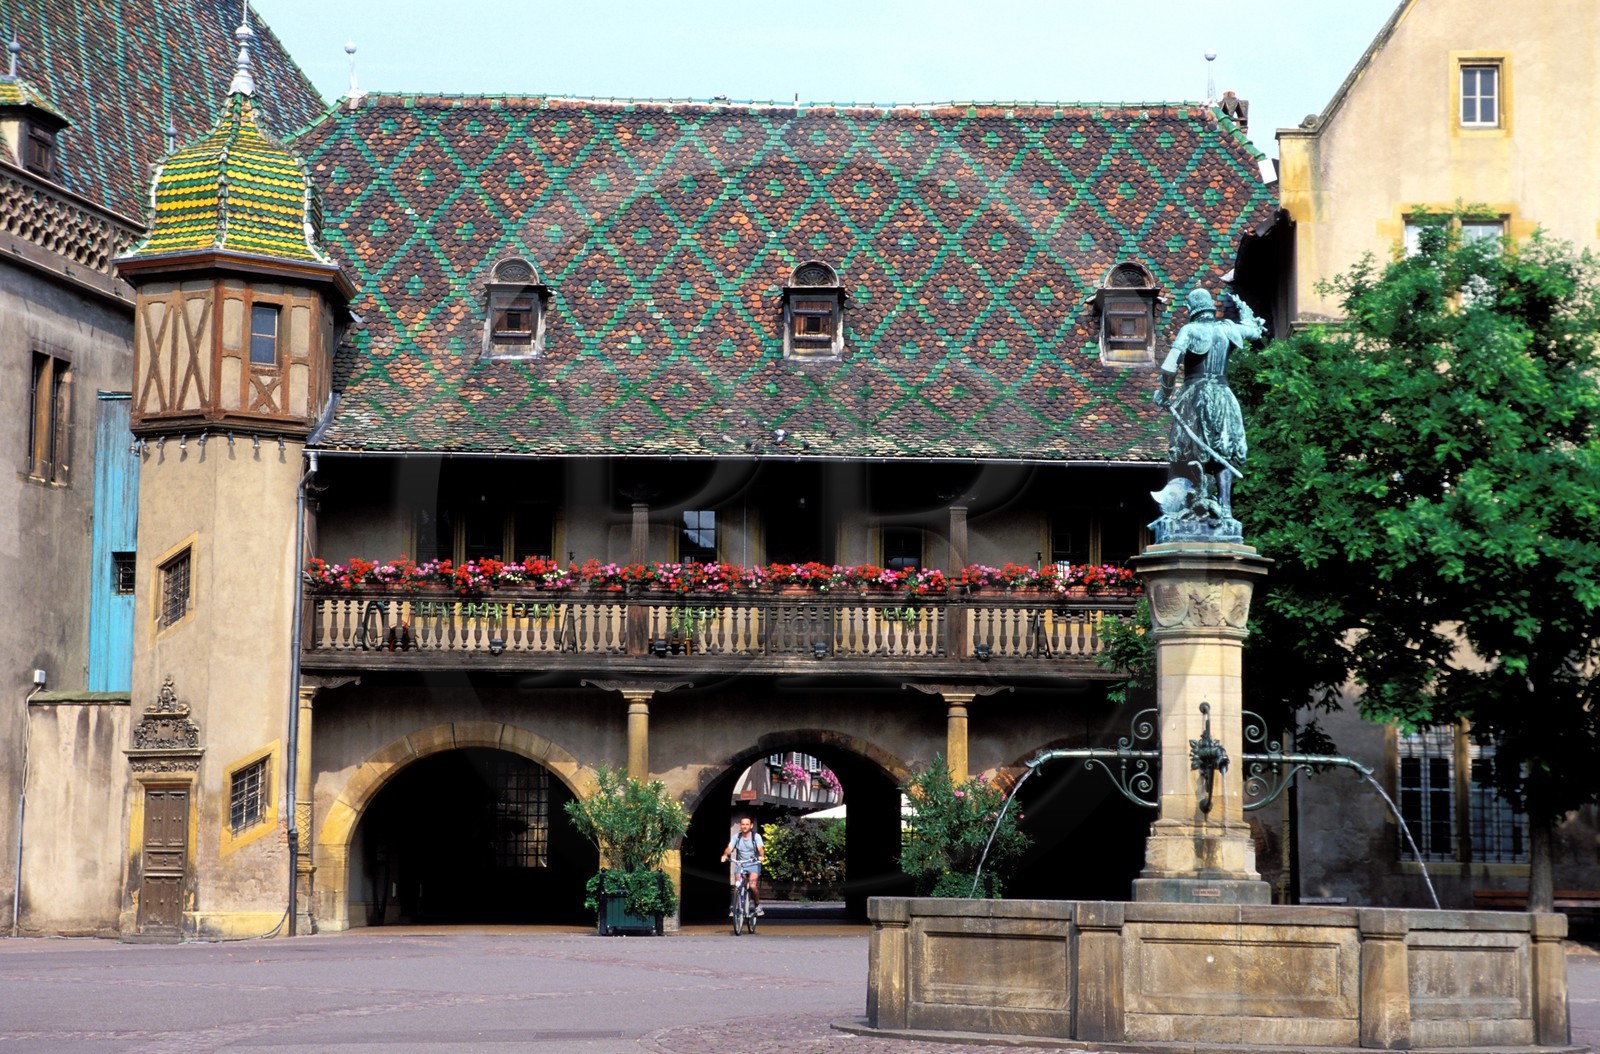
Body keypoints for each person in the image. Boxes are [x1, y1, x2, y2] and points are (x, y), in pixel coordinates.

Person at [1152, 287, 1264, 523]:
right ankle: (1226, 509)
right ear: (1211, 308)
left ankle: (1193, 505)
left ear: (1191, 309)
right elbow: (1254, 331)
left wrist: (1165, 393)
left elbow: (1169, 367)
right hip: (1223, 395)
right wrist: (1244, 311)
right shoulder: (1229, 328)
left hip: (1196, 396)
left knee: (1188, 451)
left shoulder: (1190, 330)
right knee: (1224, 452)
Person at [720, 816, 766, 917]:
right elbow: (729, 848)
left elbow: (760, 848)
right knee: (738, 885)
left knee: (752, 885)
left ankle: (757, 905)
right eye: (743, 824)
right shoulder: (736, 837)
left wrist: (761, 855)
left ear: (751, 826)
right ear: (740, 826)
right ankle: (735, 907)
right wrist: (725, 855)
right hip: (741, 864)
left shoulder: (756, 836)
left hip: (753, 863)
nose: (745, 826)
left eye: (747, 824)